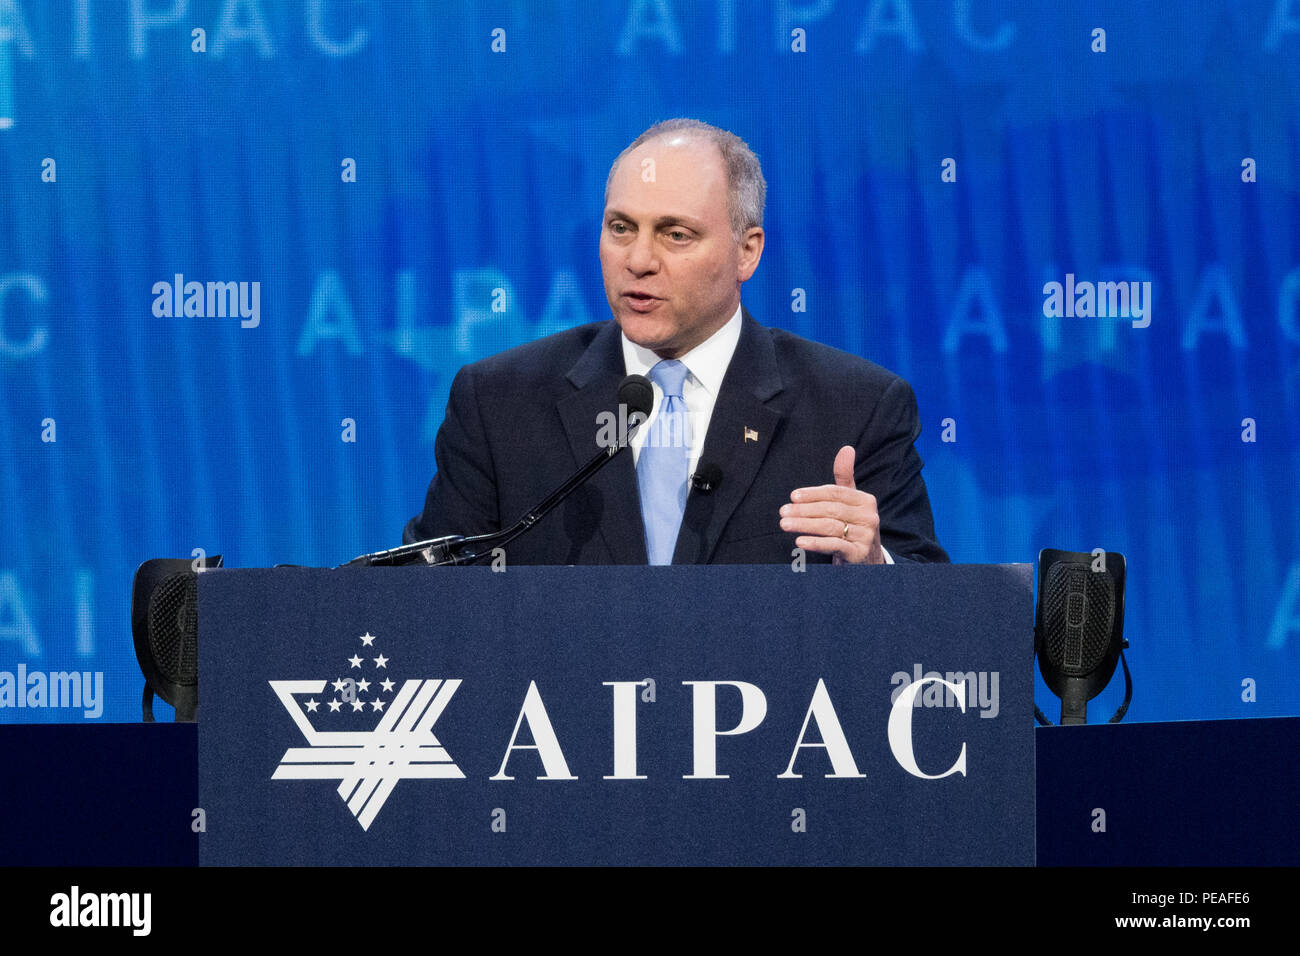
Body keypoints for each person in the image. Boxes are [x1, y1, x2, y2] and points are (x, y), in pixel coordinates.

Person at [404, 119, 948, 566]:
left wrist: (879, 569)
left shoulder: (855, 409)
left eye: (675, 234)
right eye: (621, 228)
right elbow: (422, 604)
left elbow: (937, 617)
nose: (638, 260)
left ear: (747, 252)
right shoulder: (498, 403)